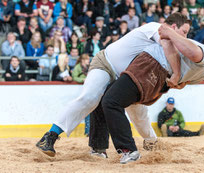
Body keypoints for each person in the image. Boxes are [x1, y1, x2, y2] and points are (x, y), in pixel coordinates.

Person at [35, 13, 191, 158]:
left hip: (129, 78)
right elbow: (169, 48)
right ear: (174, 27)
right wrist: (178, 74)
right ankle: (50, 136)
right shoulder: (156, 28)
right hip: (106, 64)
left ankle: (151, 142)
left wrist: (177, 79)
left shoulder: (168, 47)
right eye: (184, 32)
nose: (186, 36)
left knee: (138, 111)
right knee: (90, 98)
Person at [98, 23, 204, 163]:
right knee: (106, 97)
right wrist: (175, 73)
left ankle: (129, 151)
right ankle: (98, 147)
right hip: (157, 81)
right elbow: (180, 84)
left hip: (150, 68)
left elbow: (193, 53)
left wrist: (170, 32)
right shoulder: (203, 74)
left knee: (111, 101)